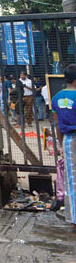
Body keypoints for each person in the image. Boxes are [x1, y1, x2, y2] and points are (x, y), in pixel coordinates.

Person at [51, 63, 76, 232]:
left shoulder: (56, 99)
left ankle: (74, 219)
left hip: (68, 141)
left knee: (72, 181)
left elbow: (57, 125)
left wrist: (60, 144)